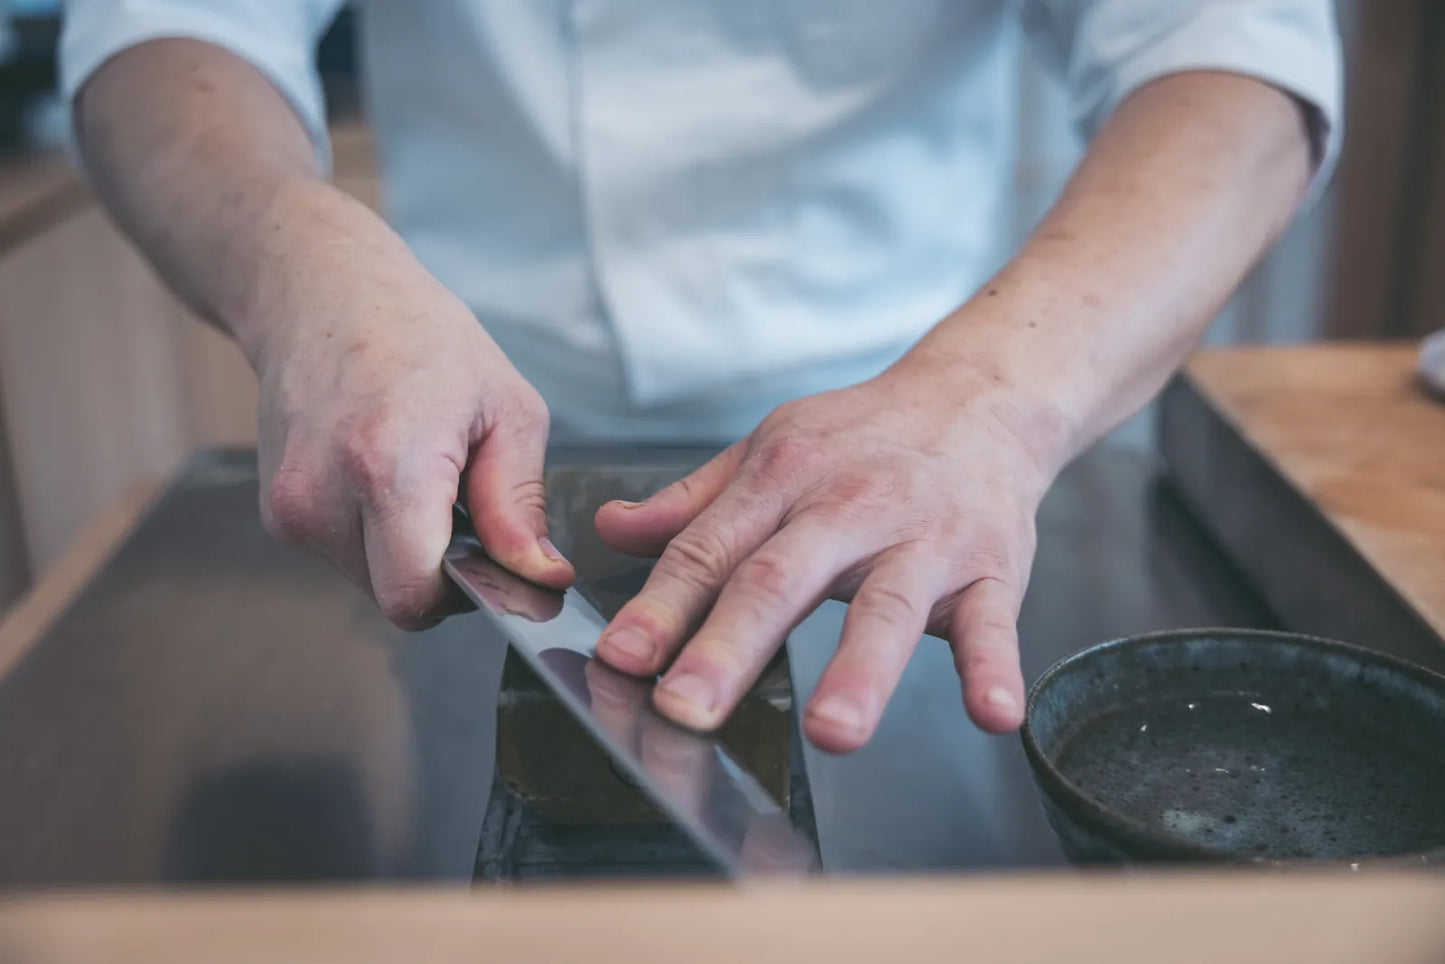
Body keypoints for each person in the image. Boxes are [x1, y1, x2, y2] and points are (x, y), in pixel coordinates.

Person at [61, 2, 1341, 754]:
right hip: (452, 455)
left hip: (939, 449)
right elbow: (159, 31)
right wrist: (297, 263)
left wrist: (998, 399)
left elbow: (1234, 51)